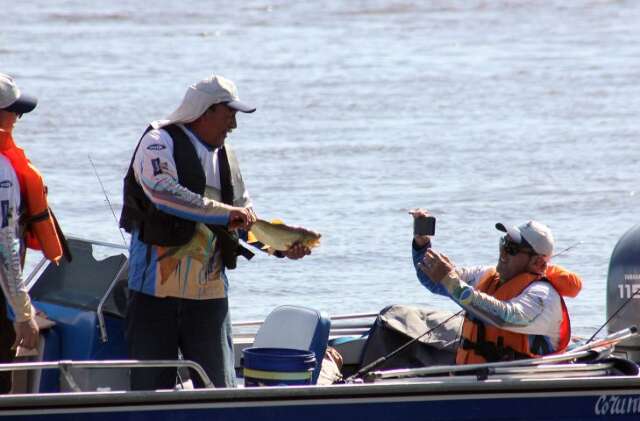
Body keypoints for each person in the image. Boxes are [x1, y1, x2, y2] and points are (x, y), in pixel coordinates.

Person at [119, 74, 311, 390]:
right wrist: (226, 213)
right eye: (229, 115)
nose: (233, 125)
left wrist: (282, 248)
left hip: (209, 299)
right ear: (206, 110)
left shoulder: (227, 157)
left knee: (220, 390)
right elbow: (162, 192)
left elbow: (247, 222)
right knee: (150, 393)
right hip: (154, 297)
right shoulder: (158, 142)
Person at [411, 210, 582, 364]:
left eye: (511, 248)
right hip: (473, 379)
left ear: (537, 262)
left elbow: (506, 317)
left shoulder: (544, 296)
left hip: (521, 386)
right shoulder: (486, 275)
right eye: (503, 243)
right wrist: (422, 244)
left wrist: (453, 283)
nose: (503, 253)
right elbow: (434, 280)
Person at [0, 73, 69, 393]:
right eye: (15, 111)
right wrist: (23, 312)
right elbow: (4, 247)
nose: (18, 118)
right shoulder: (3, 172)